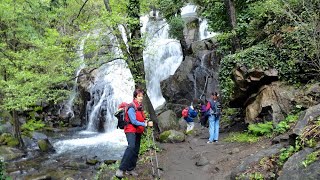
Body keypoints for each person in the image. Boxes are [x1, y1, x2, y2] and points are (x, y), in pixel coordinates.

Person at [116, 88, 148, 178]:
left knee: (136, 150)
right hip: (130, 129)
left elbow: (141, 118)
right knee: (131, 147)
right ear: (135, 97)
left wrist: (145, 121)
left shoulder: (140, 107)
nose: (141, 98)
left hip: (138, 130)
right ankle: (121, 169)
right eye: (139, 96)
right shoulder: (131, 107)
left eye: (142, 96)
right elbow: (133, 121)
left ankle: (131, 169)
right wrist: (144, 124)